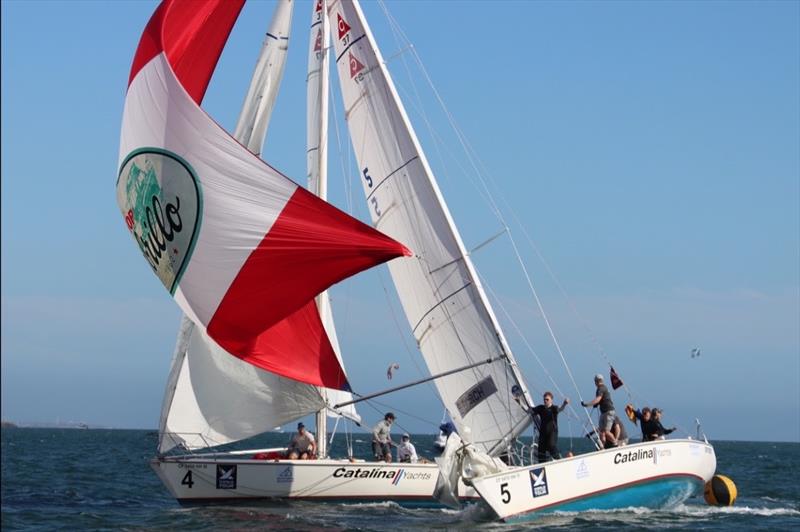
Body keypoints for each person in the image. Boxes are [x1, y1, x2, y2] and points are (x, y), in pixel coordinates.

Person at [531, 391, 569, 462]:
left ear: (551, 400)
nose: (545, 401)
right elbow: (530, 410)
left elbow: (560, 409)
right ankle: (543, 466)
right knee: (541, 451)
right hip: (543, 433)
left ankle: (559, 460)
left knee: (551, 445)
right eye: (544, 399)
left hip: (552, 432)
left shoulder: (554, 408)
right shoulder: (541, 408)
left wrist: (564, 404)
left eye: (547, 399)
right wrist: (520, 402)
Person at [581, 374, 617, 447]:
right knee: (601, 431)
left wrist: (587, 404)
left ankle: (615, 443)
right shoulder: (602, 388)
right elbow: (601, 400)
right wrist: (597, 404)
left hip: (609, 412)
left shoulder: (601, 388)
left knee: (606, 431)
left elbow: (598, 399)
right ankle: (602, 447)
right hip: (604, 412)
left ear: (596, 381)